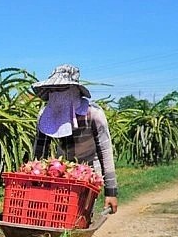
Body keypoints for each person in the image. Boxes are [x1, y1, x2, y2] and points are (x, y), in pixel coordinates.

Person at [32, 64, 119, 213]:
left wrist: (111, 191)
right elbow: (39, 152)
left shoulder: (93, 114)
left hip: (89, 175)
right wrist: (35, 182)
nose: (57, 94)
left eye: (62, 89)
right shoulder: (46, 114)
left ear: (75, 91)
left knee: (81, 216)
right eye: (53, 90)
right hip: (60, 173)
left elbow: (105, 151)